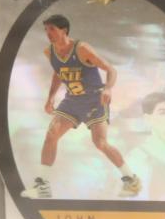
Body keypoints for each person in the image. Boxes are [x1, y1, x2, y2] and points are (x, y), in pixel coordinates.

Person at [21, 14, 141, 199]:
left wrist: (108, 88)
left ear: (64, 30)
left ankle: (131, 180)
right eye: (45, 30)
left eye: (52, 29)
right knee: (51, 135)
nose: (48, 33)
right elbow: (58, 73)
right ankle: (42, 186)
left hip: (94, 99)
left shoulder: (81, 48)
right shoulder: (49, 52)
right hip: (72, 101)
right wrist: (50, 98)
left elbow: (110, 69)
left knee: (100, 143)